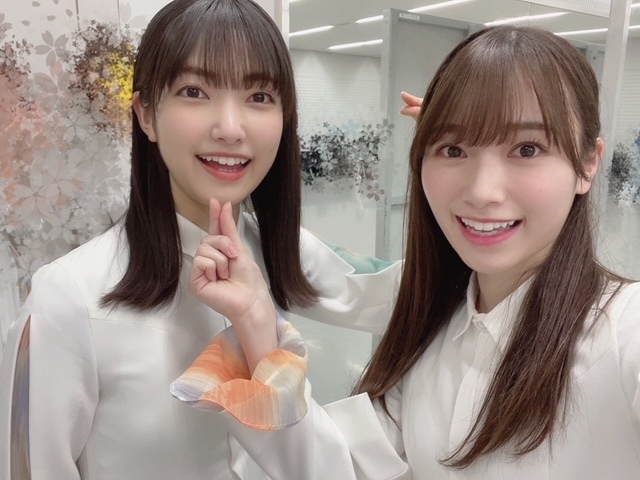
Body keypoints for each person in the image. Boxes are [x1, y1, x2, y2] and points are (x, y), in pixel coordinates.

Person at [175, 25, 640, 479]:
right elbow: (338, 467)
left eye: (527, 149)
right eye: (453, 149)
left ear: (588, 164)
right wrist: (256, 321)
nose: (482, 191)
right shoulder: (431, 336)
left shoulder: (623, 334)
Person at [0, 0, 402, 478]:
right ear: (146, 114)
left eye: (259, 96)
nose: (230, 129)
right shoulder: (69, 297)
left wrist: (450, 162)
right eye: (194, 91)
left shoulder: (281, 250)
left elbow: (399, 296)